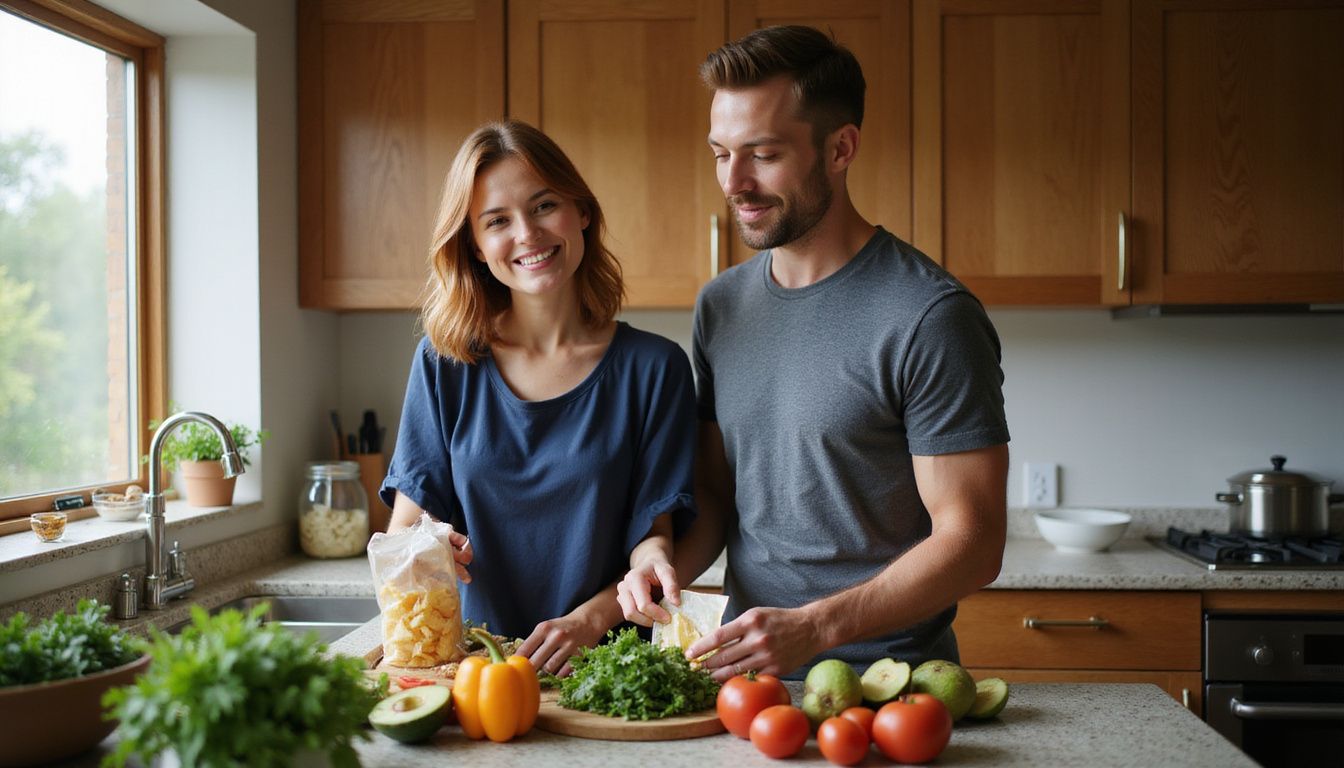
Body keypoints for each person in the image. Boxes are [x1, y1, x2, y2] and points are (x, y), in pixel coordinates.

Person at [618, 26, 1011, 681]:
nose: (735, 182)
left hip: (891, 689)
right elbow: (717, 501)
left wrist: (815, 627)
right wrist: (656, 562)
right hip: (746, 685)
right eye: (720, 154)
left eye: (763, 154)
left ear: (840, 148)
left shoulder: (929, 316)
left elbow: (972, 544)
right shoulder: (721, 306)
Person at [381, 120, 696, 677]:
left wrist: (598, 614)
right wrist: (429, 546)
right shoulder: (445, 363)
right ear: (476, 247)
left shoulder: (656, 369)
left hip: (606, 672)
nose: (526, 233)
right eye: (497, 221)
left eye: (544, 205)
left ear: (582, 212)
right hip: (477, 669)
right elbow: (409, 525)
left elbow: (653, 539)